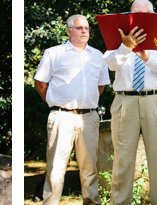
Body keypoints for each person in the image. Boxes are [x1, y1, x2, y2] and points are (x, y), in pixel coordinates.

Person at [103, 0, 157, 205]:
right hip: (124, 102)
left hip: (155, 100)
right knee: (123, 161)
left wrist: (147, 57)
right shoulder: (117, 40)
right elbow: (110, 64)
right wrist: (124, 48)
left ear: (152, 16)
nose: (137, 18)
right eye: (133, 14)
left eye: (142, 14)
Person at [34, 15, 110, 205]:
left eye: (86, 28)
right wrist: (54, 103)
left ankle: (92, 202)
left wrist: (87, 102)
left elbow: (100, 86)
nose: (84, 31)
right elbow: (40, 82)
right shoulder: (53, 53)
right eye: (79, 28)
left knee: (89, 168)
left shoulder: (98, 55)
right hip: (62, 117)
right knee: (56, 168)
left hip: (89, 117)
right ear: (68, 31)